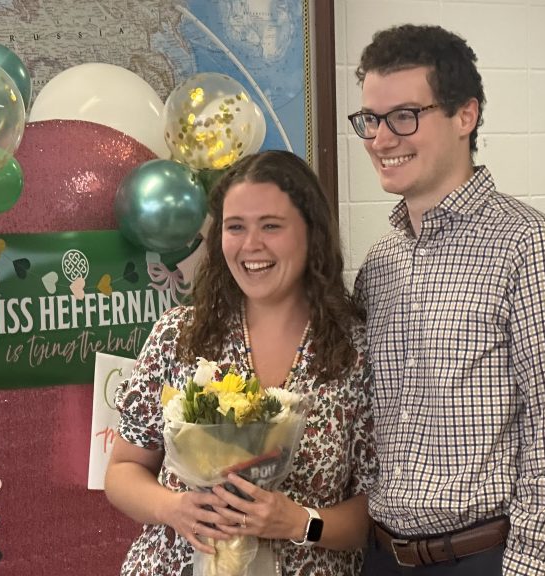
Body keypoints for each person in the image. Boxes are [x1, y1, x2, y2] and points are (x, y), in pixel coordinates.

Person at [350, 24, 545, 576]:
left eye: (404, 116)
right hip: (383, 556)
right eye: (371, 119)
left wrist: (526, 567)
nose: (381, 140)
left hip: (486, 557)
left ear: (465, 116)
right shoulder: (380, 263)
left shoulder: (531, 245)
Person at [105, 150, 377, 576]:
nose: (251, 245)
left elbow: (374, 513)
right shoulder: (178, 335)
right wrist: (173, 508)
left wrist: (299, 522)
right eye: (235, 227)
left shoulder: (355, 351)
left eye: (271, 225)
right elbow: (123, 471)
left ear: (312, 233)